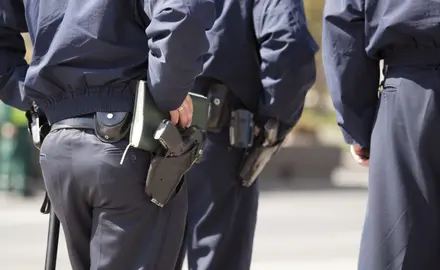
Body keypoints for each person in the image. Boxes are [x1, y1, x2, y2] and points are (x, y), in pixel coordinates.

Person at [0, 0, 215, 269]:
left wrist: (31, 95)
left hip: (61, 144)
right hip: (128, 148)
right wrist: (167, 94)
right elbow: (182, 13)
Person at [177, 0, 318, 269]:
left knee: (150, 255)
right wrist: (271, 123)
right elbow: (290, 46)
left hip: (156, 129)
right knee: (217, 257)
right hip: (219, 140)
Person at [323, 1, 440, 269]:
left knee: (402, 241)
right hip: (410, 83)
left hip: (410, 95)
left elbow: (344, 24)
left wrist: (359, 126)